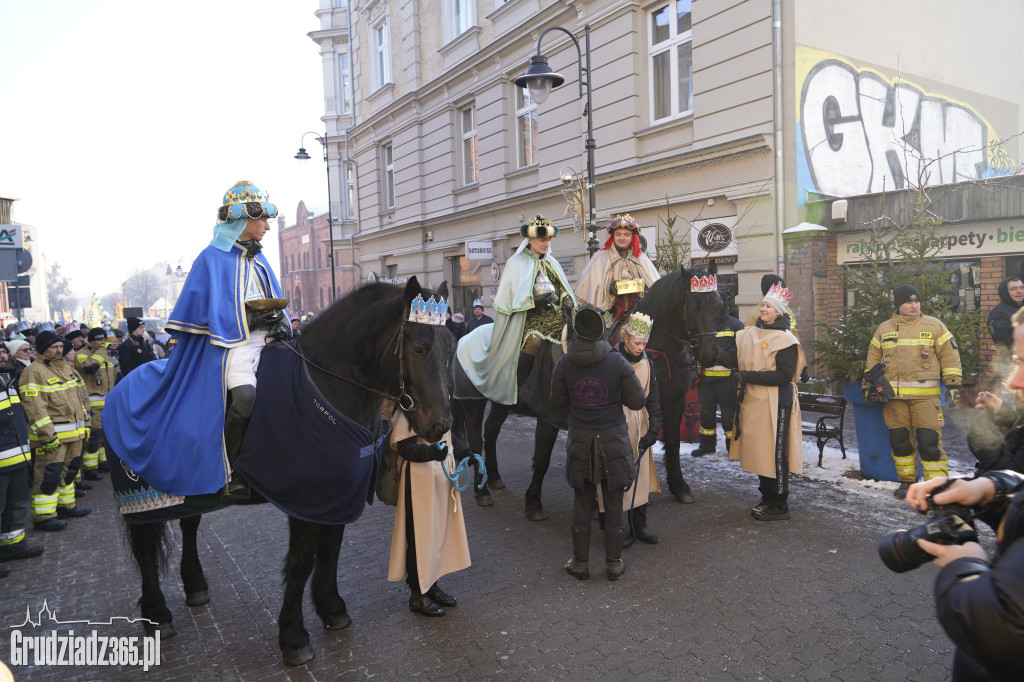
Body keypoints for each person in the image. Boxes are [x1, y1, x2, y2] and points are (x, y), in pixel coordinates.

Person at [104, 180, 290, 499]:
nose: (268, 227)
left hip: (267, 340)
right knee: (245, 396)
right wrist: (248, 319)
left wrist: (279, 321)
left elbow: (273, 297)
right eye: (263, 220)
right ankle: (233, 474)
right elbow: (203, 313)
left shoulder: (259, 259)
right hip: (232, 347)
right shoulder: (211, 258)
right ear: (243, 219)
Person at [550, 307, 646, 581]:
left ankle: (580, 564)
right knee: (614, 498)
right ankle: (614, 563)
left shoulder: (565, 364)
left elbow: (556, 404)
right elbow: (638, 401)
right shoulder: (617, 362)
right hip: (613, 438)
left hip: (580, 437)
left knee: (582, 499)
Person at [456, 216, 576, 406]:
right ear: (530, 240)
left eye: (549, 240)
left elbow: (563, 290)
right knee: (534, 341)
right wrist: (533, 300)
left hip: (555, 316)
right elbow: (508, 299)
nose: (547, 244)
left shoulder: (553, 262)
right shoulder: (516, 262)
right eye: (542, 240)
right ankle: (520, 388)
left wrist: (567, 301)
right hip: (528, 319)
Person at [864, 284, 963, 499]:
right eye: (908, 302)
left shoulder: (935, 326)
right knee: (900, 442)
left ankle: (936, 486)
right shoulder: (884, 329)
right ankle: (907, 482)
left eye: (916, 301)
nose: (914, 305)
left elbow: (950, 355)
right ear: (898, 304)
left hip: (926, 399)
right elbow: (872, 361)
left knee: (929, 442)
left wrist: (953, 383)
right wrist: (867, 387)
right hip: (894, 399)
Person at [386, 402, 471, 618]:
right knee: (419, 538)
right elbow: (404, 446)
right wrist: (431, 452)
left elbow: (448, 438)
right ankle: (417, 595)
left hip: (441, 479)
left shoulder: (439, 401)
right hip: (419, 480)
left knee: (436, 536)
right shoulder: (409, 406)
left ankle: (431, 586)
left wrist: (466, 452)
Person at [730, 284, 805, 521]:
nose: (763, 309)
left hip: (778, 404)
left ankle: (779, 503)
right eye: (762, 304)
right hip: (757, 403)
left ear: (779, 312)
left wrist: (748, 376)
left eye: (768, 306)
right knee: (762, 452)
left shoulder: (785, 340)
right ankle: (767, 497)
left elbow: (784, 376)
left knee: (776, 453)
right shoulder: (750, 334)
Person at [19, 331, 91, 531]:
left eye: (61, 347)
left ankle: (66, 506)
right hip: (53, 438)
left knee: (68, 473)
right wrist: (46, 435)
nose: (60, 350)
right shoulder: (34, 372)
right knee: (48, 476)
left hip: (74, 435)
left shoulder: (66, 369)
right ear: (43, 349)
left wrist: (85, 426)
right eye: (55, 347)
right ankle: (43, 517)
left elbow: (78, 401)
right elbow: (34, 407)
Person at [615, 312, 662, 544]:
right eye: (637, 343)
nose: (640, 347)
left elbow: (653, 398)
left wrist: (653, 429)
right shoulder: (612, 360)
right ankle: (617, 526)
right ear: (625, 338)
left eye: (644, 343)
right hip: (616, 423)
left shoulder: (647, 362)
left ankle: (639, 524)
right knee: (618, 475)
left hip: (640, 424)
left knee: (641, 475)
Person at [573, 214, 660, 337]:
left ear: (632, 237)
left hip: (637, 310)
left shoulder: (640, 258)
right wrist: (609, 288)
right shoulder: (601, 257)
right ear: (613, 236)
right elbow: (593, 286)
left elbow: (653, 284)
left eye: (626, 235)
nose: (622, 238)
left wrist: (642, 287)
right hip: (610, 310)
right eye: (618, 234)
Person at [0, 343, 43, 570]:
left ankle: (13, 546)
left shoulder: (8, 380)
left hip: (17, 457)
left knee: (16, 505)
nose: (2, 355)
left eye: (3, 351)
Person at [692, 290, 744, 457]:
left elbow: (739, 358)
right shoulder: (705, 325)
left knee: (729, 418)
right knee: (706, 415)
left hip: (727, 381)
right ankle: (706, 446)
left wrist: (717, 352)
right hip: (706, 380)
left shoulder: (737, 326)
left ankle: (733, 448)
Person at [75, 328, 116, 480]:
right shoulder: (82, 354)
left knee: (104, 436)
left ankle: (103, 463)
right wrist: (102, 351)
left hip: (107, 402)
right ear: (91, 341)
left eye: (104, 340)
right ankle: (90, 468)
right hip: (92, 404)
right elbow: (91, 367)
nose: (102, 343)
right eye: (98, 340)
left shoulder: (104, 354)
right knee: (94, 437)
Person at [987, 275, 1024, 382]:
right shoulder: (997, 313)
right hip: (1012, 365)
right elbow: (1006, 337)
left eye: (1021, 287)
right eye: (1013, 289)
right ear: (1005, 292)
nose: (1019, 291)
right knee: (1013, 397)